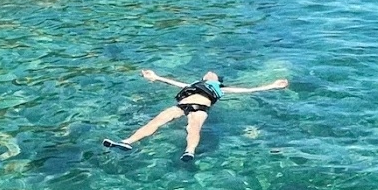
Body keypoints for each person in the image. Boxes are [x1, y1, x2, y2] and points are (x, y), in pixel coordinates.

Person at [103, 70, 289, 161]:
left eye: (213, 74)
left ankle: (189, 151)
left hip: (200, 108)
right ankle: (127, 142)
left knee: (193, 128)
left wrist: (272, 86)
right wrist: (155, 77)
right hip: (180, 105)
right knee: (155, 122)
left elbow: (248, 90)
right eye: (207, 73)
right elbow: (172, 82)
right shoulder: (192, 85)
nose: (210, 72)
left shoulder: (221, 88)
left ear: (217, 80)